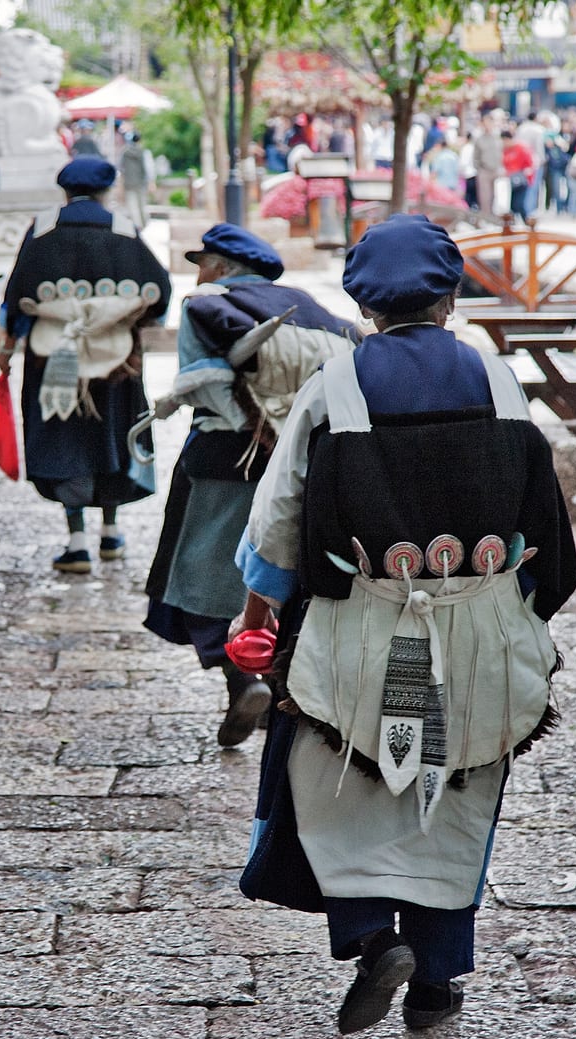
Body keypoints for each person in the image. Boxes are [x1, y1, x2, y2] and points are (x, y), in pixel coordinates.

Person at [230, 214, 576, 1036]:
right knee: (453, 792)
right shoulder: (500, 384)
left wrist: (259, 616)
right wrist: (515, 612)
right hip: (475, 635)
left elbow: (277, 523)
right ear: (451, 297)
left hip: (361, 635)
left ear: (362, 306)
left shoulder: (335, 389)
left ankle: (368, 935)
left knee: (340, 784)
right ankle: (435, 989)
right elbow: (547, 537)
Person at [144, 224, 359, 747]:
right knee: (282, 576)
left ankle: (242, 678)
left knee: (201, 580)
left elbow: (209, 384)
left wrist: (259, 429)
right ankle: (276, 686)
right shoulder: (320, 313)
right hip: (306, 463)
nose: (199, 272)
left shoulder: (205, 305)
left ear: (220, 266)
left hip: (227, 460)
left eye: (203, 262)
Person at [0, 158, 171, 572]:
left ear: (65, 192)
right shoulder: (126, 231)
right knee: (110, 434)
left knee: (63, 437)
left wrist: (8, 346)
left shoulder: (42, 232)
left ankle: (76, 543)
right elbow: (159, 295)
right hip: (116, 362)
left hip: (51, 357)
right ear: (107, 191)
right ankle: (111, 534)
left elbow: (15, 300)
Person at [118, 132, 155, 229]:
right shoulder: (144, 152)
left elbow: (121, 169)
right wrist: (151, 182)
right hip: (141, 183)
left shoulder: (124, 153)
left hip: (129, 183)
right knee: (142, 205)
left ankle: (137, 225)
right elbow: (149, 168)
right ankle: (144, 224)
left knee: (132, 206)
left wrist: (121, 184)